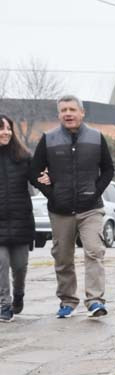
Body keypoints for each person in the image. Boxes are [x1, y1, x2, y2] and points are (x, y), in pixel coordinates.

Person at [30, 95, 114, 318]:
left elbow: (108, 170)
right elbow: (34, 172)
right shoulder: (48, 139)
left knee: (95, 252)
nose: (68, 113)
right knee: (63, 256)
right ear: (58, 115)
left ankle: (95, 300)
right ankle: (67, 300)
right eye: (63, 110)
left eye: (72, 109)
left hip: (91, 209)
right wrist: (52, 194)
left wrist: (95, 192)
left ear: (82, 113)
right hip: (60, 210)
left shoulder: (97, 138)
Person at [0, 115, 38, 322]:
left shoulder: (23, 157)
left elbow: (37, 179)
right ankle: (4, 305)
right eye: (1, 128)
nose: (5, 132)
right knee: (1, 264)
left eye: (8, 128)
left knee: (20, 266)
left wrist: (48, 179)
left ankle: (19, 293)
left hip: (21, 221)